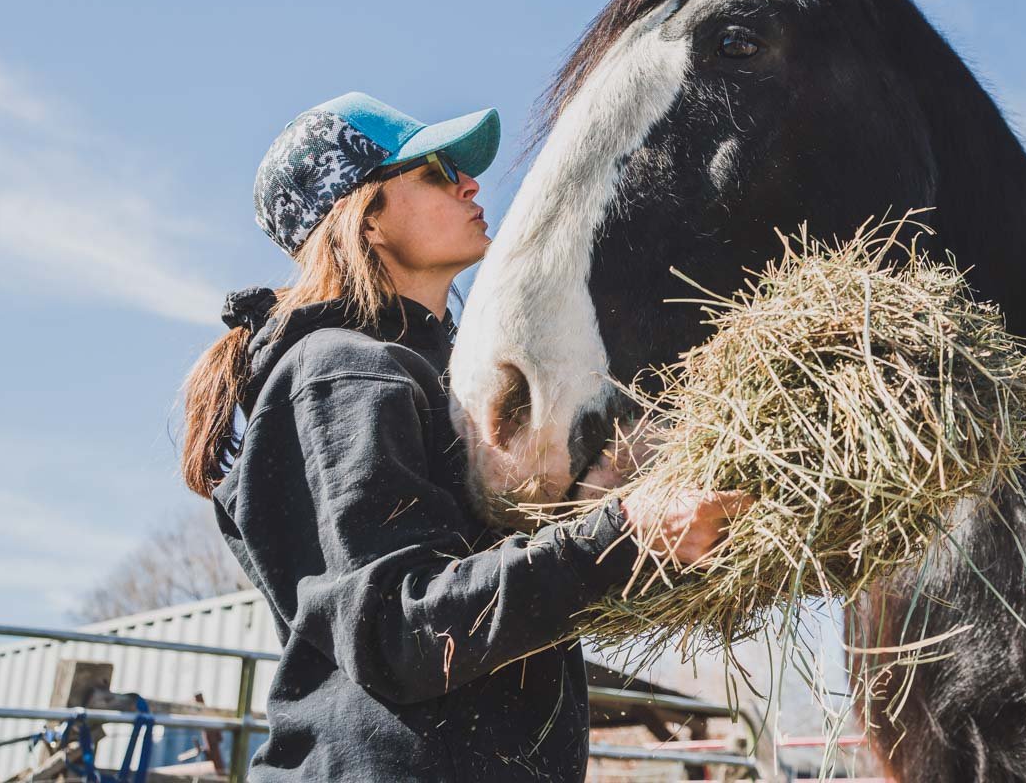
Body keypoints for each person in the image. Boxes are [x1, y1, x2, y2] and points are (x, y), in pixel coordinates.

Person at [180, 91, 745, 782]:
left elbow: (512, 590)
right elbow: (398, 631)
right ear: (366, 218)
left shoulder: (448, 385)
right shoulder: (343, 371)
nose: (471, 183)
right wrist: (626, 532)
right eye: (435, 172)